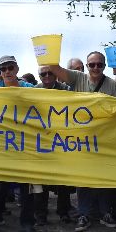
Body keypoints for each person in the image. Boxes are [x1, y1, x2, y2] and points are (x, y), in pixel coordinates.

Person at [50, 51, 116, 231]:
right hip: (80, 140)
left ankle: (105, 212)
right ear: (87, 65)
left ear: (104, 66)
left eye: (99, 64)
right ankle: (83, 215)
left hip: (103, 140)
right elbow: (54, 69)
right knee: (83, 179)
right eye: (92, 65)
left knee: (104, 178)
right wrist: (47, 49)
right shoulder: (78, 78)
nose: (95, 68)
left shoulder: (113, 86)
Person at [0, 55, 40, 232]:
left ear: (16, 69)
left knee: (26, 186)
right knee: (0, 185)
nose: (7, 71)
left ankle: (27, 222)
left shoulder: (30, 89)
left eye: (10, 68)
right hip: (4, 144)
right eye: (4, 69)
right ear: (0, 73)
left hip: (26, 143)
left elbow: (45, 101)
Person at [36, 64, 73, 223]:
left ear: (55, 74)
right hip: (41, 139)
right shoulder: (34, 91)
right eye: (43, 74)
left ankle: (63, 211)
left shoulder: (65, 89)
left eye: (50, 73)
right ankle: (41, 214)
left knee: (63, 178)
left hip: (61, 139)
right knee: (42, 179)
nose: (47, 76)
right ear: (39, 77)